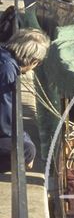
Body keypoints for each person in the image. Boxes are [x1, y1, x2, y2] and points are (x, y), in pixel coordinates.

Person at [0, 28, 50, 172]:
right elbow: (6, 124)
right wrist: (26, 139)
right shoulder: (7, 69)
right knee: (27, 150)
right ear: (33, 61)